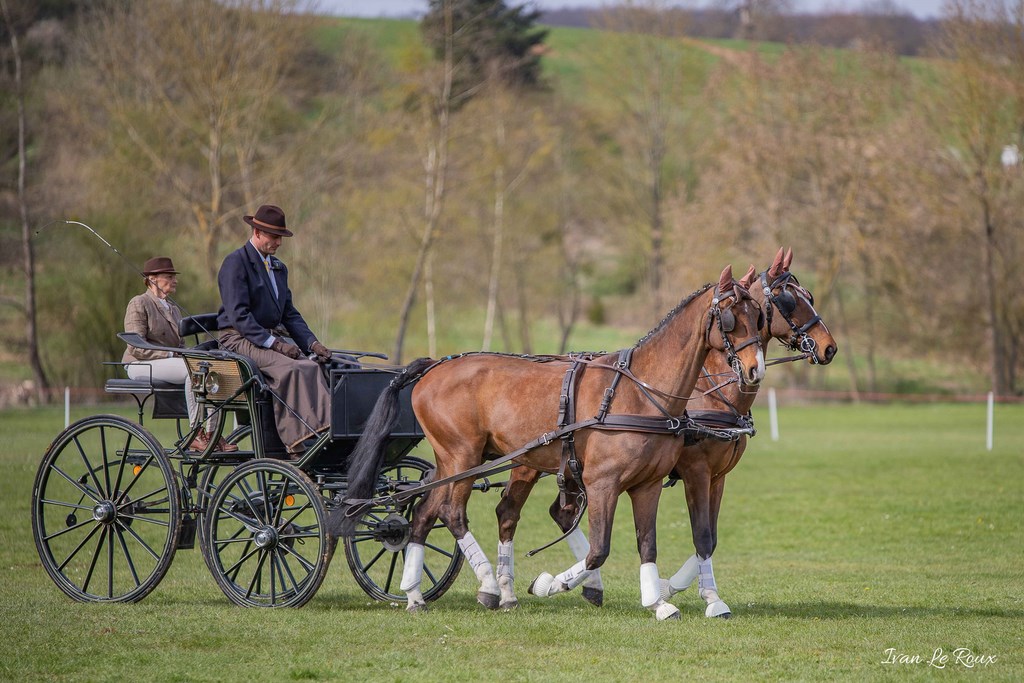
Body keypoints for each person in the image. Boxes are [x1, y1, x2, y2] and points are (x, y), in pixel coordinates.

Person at [216, 204, 332, 457]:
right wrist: (275, 345)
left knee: (315, 366)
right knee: (291, 369)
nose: (279, 242)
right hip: (238, 337)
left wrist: (312, 344)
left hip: (269, 337)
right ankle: (296, 441)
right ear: (257, 232)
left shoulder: (278, 267)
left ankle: (323, 430)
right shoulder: (235, 263)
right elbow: (239, 316)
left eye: (281, 237)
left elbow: (289, 313)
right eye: (274, 236)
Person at [123, 257, 237, 453]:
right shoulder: (139, 303)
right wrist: (171, 355)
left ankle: (212, 434)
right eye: (169, 276)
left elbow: (180, 344)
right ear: (152, 279)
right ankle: (195, 433)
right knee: (193, 370)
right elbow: (136, 346)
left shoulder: (174, 310)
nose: (175, 280)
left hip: (171, 362)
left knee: (210, 368)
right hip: (140, 364)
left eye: (174, 276)